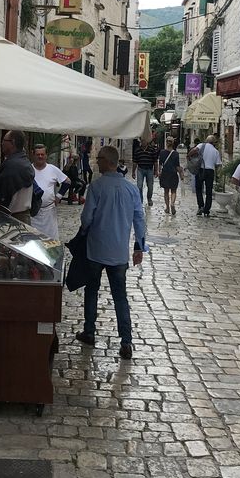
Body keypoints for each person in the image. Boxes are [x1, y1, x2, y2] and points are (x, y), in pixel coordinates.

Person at [74, 145, 147, 360]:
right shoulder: (131, 189)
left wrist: (85, 231)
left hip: (96, 249)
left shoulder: (96, 187)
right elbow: (139, 219)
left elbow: (87, 218)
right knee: (120, 297)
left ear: (107, 161)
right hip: (118, 252)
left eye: (98, 158)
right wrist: (139, 246)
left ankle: (89, 331)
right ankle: (126, 341)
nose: (96, 162)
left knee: (92, 290)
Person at [0, 130, 35, 222]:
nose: (2, 143)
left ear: (12, 142)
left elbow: (2, 196)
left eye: (4, 140)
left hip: (13, 218)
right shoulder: (24, 161)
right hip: (22, 216)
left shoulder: (13, 166)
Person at [30, 144, 68, 239]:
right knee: (34, 240)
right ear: (33, 155)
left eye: (42, 154)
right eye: (38, 154)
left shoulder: (52, 169)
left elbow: (67, 182)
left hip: (49, 213)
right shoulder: (28, 169)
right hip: (33, 213)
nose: (40, 156)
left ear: (46, 155)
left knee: (51, 240)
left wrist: (59, 196)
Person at [194, 134, 221, 217]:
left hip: (201, 169)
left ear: (206, 140)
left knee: (199, 188)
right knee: (209, 191)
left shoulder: (201, 145)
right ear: (214, 142)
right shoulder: (216, 151)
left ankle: (201, 206)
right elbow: (218, 164)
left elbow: (194, 150)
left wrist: (189, 156)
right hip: (210, 171)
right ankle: (206, 210)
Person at [133, 131, 160, 207]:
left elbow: (155, 161)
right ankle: (140, 200)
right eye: (142, 141)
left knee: (150, 186)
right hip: (140, 170)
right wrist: (133, 172)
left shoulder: (152, 149)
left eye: (144, 141)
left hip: (149, 170)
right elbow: (135, 162)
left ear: (147, 142)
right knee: (139, 186)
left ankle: (149, 198)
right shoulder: (137, 150)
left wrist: (156, 171)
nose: (143, 142)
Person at [157, 137, 182, 215]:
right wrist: (181, 174)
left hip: (165, 173)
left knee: (166, 191)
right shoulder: (176, 154)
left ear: (166, 142)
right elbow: (177, 166)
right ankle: (172, 204)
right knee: (173, 190)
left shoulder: (162, 152)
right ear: (173, 143)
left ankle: (167, 207)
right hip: (173, 174)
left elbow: (160, 164)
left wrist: (159, 172)